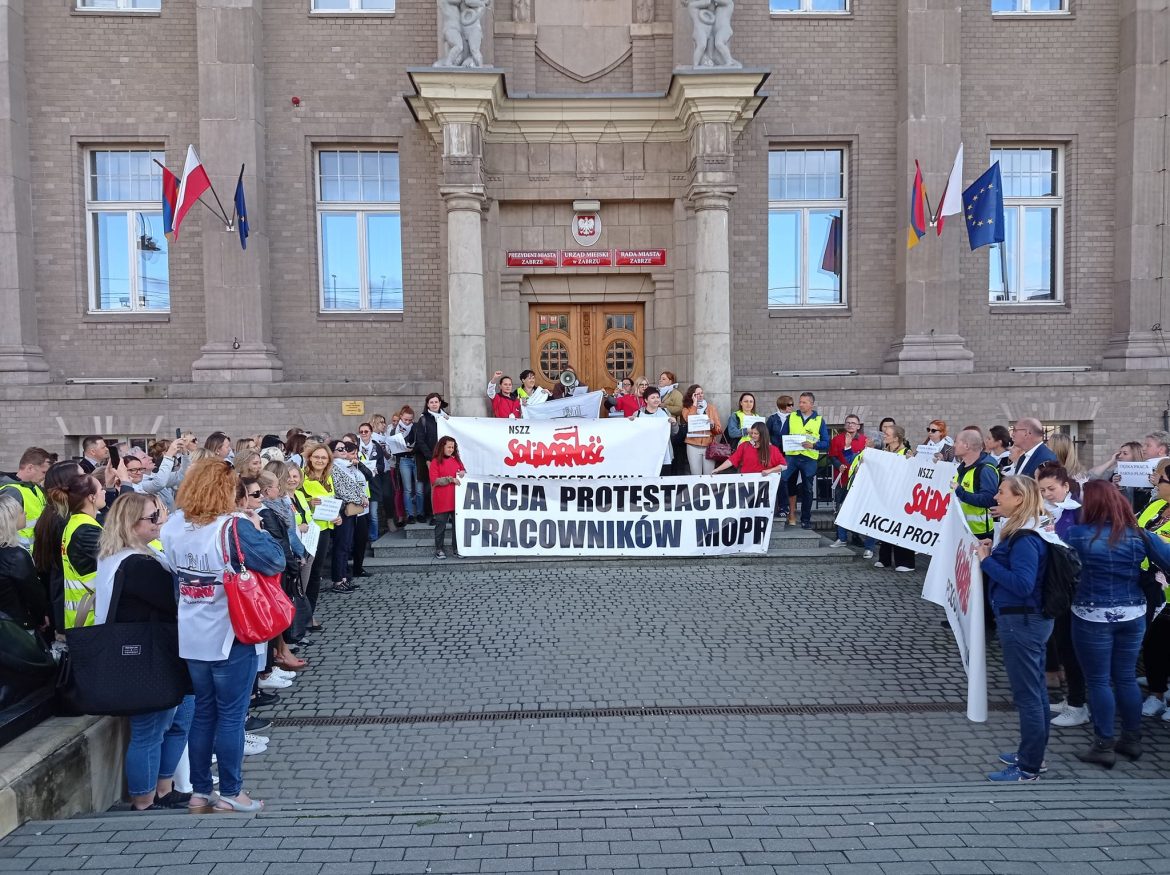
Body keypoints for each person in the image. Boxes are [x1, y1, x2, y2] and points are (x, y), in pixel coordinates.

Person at [162, 458, 285, 814]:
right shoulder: (232, 526)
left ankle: (202, 790)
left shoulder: (173, 525)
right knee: (231, 715)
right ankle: (231, 791)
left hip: (192, 630)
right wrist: (258, 528)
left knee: (204, 712)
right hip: (232, 629)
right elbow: (275, 561)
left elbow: (174, 571)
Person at [93, 492, 194, 811]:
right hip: (146, 657)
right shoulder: (137, 563)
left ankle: (161, 789)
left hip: (149, 653)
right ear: (131, 524)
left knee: (172, 720)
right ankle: (144, 799)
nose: (159, 522)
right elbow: (174, 602)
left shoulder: (125, 555)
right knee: (150, 729)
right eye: (153, 518)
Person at [1066, 479, 1170, 767]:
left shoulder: (1076, 534)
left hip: (1091, 613)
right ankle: (1132, 740)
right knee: (1125, 677)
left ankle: (1103, 744)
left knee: (1099, 680)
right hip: (1134, 613)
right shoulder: (1140, 535)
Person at [976, 476, 1055, 782]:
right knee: (1035, 692)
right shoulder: (1022, 531)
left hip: (1022, 622)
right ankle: (1034, 755)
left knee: (1028, 696)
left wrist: (986, 562)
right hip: (1025, 620)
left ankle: (1028, 768)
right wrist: (993, 552)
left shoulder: (1025, 538)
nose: (996, 496)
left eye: (1001, 492)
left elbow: (1022, 583)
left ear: (1019, 498)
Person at [1033, 463, 1088, 730]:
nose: (1048, 493)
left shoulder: (1078, 513)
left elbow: (1076, 549)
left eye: (1052, 488)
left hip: (1072, 588)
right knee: (1062, 644)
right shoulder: (1047, 509)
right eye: (1042, 490)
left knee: (1072, 646)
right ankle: (1072, 698)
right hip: (1055, 585)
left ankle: (1079, 704)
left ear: (1066, 486)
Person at [58, 474, 106, 628]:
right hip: (90, 618)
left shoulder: (77, 522)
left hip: (82, 615)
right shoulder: (86, 530)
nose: (104, 491)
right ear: (91, 497)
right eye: (101, 489)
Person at [777, 392, 830, 530]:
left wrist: (814, 445)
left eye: (804, 402)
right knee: (782, 479)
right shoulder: (792, 417)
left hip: (809, 458)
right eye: (800, 402)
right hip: (792, 456)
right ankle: (784, 508)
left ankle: (806, 519)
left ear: (811, 404)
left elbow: (826, 442)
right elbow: (783, 435)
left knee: (807, 489)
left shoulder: (819, 420)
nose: (800, 404)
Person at [301, 442, 343, 605]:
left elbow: (330, 502)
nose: (320, 460)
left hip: (325, 529)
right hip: (308, 530)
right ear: (310, 458)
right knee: (306, 572)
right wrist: (309, 502)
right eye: (316, 457)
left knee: (316, 571)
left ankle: (310, 612)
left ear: (328, 461)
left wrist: (337, 516)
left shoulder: (328, 478)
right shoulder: (301, 477)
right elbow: (294, 499)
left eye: (323, 458)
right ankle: (302, 613)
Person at [0, 493, 50, 631]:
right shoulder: (16, 556)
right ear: (11, 519)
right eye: (21, 512)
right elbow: (32, 593)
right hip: (17, 626)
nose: (25, 513)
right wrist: (40, 618)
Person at [874, 425, 916, 572]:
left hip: (902, 496)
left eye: (887, 434)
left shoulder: (907, 453)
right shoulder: (885, 451)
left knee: (901, 527)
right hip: (887, 495)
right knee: (885, 526)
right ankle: (884, 559)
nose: (884, 436)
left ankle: (906, 562)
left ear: (896, 438)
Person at [329, 439, 367, 592]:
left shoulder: (346, 466)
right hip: (342, 510)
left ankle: (344, 578)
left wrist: (362, 497)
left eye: (344, 448)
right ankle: (338, 580)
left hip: (351, 509)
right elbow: (340, 490)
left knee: (347, 545)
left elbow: (355, 485)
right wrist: (359, 499)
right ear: (332, 453)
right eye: (340, 449)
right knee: (341, 545)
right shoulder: (333, 467)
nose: (344, 451)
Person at [828, 415, 870, 553]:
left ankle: (856, 535)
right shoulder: (837, 439)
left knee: (857, 509)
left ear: (858, 426)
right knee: (841, 509)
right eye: (848, 423)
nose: (850, 425)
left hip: (859, 481)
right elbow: (832, 456)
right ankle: (841, 537)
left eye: (854, 423)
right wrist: (838, 464)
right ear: (845, 425)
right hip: (842, 479)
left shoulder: (865, 440)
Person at [952, 429, 1001, 542]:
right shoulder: (963, 466)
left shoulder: (985, 469)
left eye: (956, 442)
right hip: (961, 529)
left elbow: (989, 500)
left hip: (980, 533)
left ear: (967, 445)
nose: (954, 445)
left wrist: (960, 492)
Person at [0, 448, 51, 550]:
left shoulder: (35, 487)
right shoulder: (13, 491)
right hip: (20, 553)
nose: (45, 476)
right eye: (43, 472)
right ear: (30, 468)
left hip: (35, 553)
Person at [415, 394, 449, 525]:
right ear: (427, 404)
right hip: (431, 459)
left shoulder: (447, 418)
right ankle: (434, 515)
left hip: (445, 458)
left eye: (436, 402)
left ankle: (447, 513)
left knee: (446, 486)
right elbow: (421, 441)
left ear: (440, 403)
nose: (434, 404)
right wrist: (429, 457)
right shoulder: (423, 419)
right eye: (431, 402)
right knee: (433, 487)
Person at [430, 436, 465, 559]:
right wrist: (450, 479)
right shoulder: (435, 462)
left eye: (453, 447)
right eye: (449, 447)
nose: (451, 449)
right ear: (442, 447)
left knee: (458, 526)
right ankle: (439, 549)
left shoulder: (457, 460)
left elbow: (463, 474)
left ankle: (457, 548)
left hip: (456, 500)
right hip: (441, 500)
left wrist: (463, 473)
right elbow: (434, 480)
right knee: (441, 526)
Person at [711, 423, 786, 476]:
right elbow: (732, 460)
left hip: (764, 486)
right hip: (746, 483)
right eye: (752, 433)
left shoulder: (772, 449)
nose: (753, 435)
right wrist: (718, 469)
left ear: (763, 434)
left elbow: (784, 466)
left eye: (756, 433)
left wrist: (769, 471)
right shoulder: (744, 445)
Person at [681, 384, 723, 475]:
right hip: (693, 444)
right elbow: (689, 419)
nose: (700, 395)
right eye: (697, 394)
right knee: (696, 475)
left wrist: (712, 425)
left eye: (701, 393)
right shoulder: (686, 408)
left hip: (709, 445)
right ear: (692, 396)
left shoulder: (711, 408)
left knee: (709, 475)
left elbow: (719, 429)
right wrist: (694, 404)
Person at [634, 388, 676, 475]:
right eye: (653, 397)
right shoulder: (638, 414)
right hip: (645, 454)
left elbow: (674, 432)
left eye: (658, 397)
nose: (656, 400)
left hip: (664, 454)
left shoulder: (665, 412)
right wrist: (630, 423)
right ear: (646, 400)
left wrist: (674, 424)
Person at [766, 395, 795, 520]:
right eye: (789, 404)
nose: (792, 407)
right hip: (774, 453)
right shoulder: (772, 419)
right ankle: (773, 507)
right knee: (773, 479)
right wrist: (770, 445)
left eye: (792, 404)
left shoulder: (794, 418)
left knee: (784, 479)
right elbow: (766, 434)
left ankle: (784, 507)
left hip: (788, 454)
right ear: (782, 405)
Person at [393, 407, 424, 524]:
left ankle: (420, 513)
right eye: (405, 419)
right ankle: (410, 514)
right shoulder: (394, 429)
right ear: (401, 417)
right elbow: (392, 445)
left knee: (419, 489)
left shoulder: (416, 427)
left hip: (416, 459)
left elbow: (421, 442)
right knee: (407, 489)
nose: (407, 422)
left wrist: (413, 448)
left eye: (410, 420)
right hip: (403, 459)